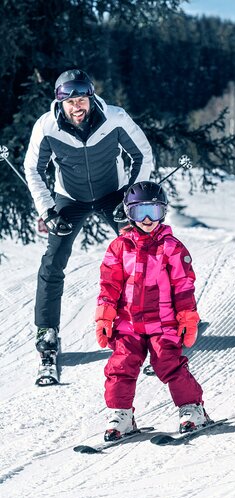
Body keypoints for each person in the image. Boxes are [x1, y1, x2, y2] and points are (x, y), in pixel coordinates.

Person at [24, 69, 153, 355]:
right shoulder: (47, 127)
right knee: (53, 260)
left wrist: (130, 200)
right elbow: (32, 169)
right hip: (70, 198)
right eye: (70, 102)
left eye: (81, 99)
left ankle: (155, 324)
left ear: (90, 97)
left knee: (144, 254)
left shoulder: (114, 118)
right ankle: (47, 331)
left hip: (114, 196)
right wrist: (48, 211)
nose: (77, 107)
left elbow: (142, 154)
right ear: (60, 103)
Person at [95, 180, 212, 440]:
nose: (147, 219)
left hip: (163, 324)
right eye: (140, 212)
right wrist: (105, 316)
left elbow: (184, 286)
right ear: (128, 213)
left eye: (154, 212)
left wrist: (187, 318)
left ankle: (192, 408)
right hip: (128, 325)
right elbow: (109, 285)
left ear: (164, 212)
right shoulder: (119, 247)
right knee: (120, 366)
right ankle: (121, 414)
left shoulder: (172, 247)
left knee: (169, 364)